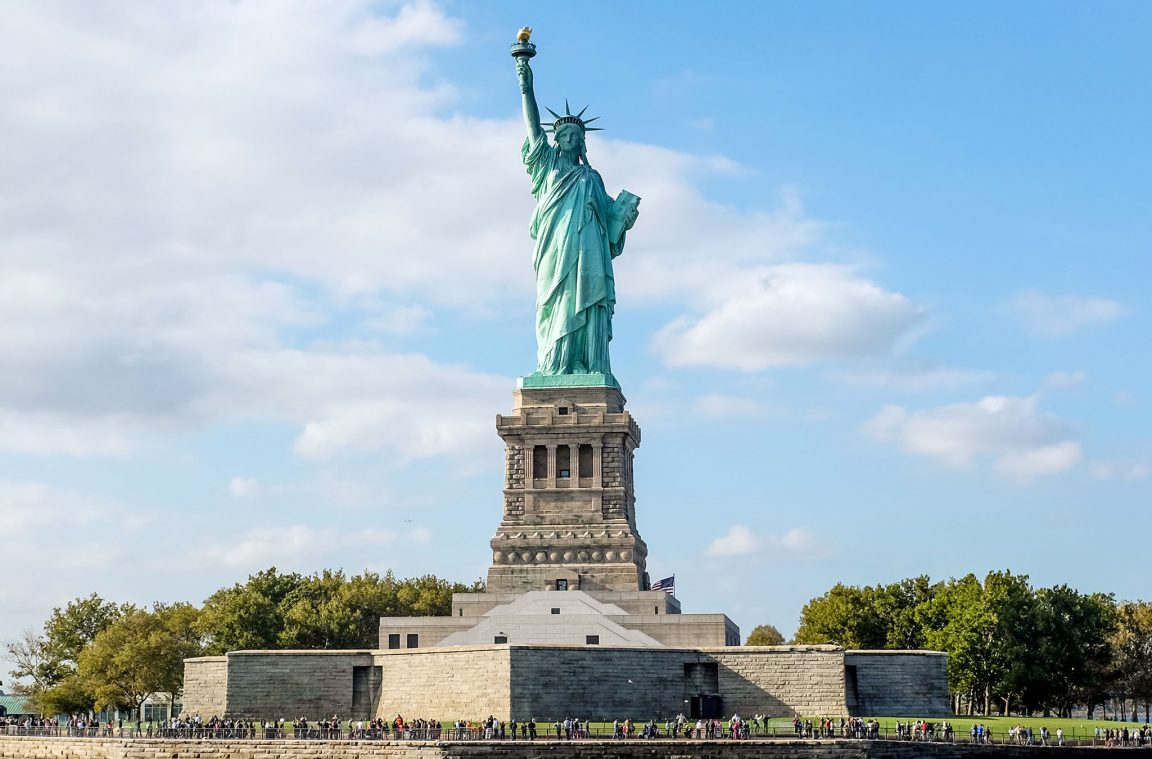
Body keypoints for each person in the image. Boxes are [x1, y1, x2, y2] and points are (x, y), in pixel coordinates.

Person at [515, 55, 639, 379]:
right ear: (555, 141)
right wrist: (526, 85)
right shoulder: (547, 168)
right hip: (556, 250)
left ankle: (588, 363)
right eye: (564, 135)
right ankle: (555, 366)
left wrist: (623, 218)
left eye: (575, 136)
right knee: (556, 303)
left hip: (590, 254)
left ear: (582, 142)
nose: (570, 139)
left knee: (586, 301)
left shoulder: (593, 178)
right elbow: (532, 128)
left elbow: (610, 230)